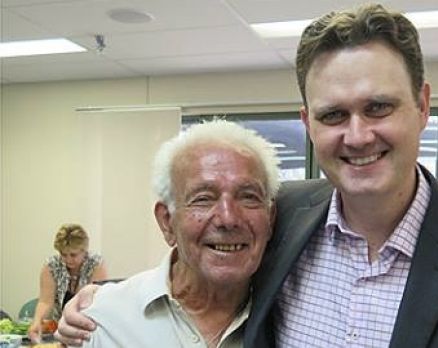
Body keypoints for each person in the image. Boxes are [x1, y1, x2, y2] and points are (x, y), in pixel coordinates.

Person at [57, 4, 438, 347]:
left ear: (422, 105)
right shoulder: (281, 216)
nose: (357, 135)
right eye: (332, 115)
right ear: (307, 124)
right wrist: (102, 299)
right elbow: (204, 256)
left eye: (378, 107)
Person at [62, 120, 279, 347]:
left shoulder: (291, 318)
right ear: (167, 222)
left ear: (270, 218)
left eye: (248, 197)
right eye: (203, 199)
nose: (228, 218)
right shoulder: (102, 320)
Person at [28, 223, 107, 343]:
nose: (68, 260)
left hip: (86, 328)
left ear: (84, 251)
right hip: (60, 329)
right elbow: (45, 301)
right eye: (63, 255)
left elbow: (96, 304)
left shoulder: (96, 264)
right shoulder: (51, 265)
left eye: (73, 255)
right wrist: (37, 321)